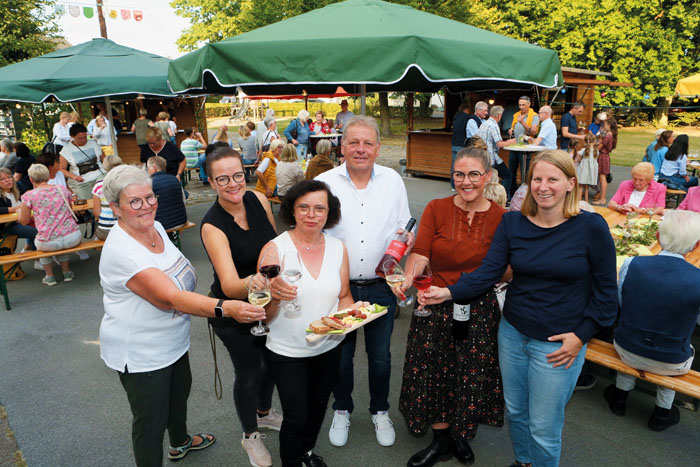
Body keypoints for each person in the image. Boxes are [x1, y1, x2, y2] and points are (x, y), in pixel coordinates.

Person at [421, 150, 618, 467]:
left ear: (570, 183)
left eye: (552, 179)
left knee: (544, 427)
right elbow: (488, 273)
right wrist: (446, 292)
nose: (543, 186)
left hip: (557, 345)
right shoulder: (513, 223)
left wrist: (580, 336)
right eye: (537, 178)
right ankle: (524, 462)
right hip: (512, 334)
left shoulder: (590, 227)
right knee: (516, 412)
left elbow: (607, 295)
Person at [98, 164, 264, 467]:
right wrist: (226, 307)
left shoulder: (155, 227)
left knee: (178, 395)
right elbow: (170, 298)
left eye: (149, 197)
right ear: (115, 208)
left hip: (172, 340)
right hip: (141, 353)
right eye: (134, 201)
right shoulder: (122, 252)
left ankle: (180, 442)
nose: (146, 206)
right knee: (150, 421)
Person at [397, 147, 506, 467]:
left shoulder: (502, 218)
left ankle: (460, 434)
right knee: (433, 373)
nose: (466, 181)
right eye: (459, 174)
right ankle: (441, 439)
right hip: (433, 302)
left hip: (479, 308)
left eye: (474, 174)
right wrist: (407, 280)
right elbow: (420, 254)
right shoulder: (436, 208)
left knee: (469, 374)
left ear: (487, 176)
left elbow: (500, 269)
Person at [316, 115, 413, 448]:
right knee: (340, 356)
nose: (360, 149)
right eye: (353, 142)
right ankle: (341, 408)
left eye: (367, 143)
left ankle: (379, 410)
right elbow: (312, 231)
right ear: (342, 146)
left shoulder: (392, 180)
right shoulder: (325, 182)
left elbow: (405, 227)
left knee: (381, 357)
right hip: (338, 288)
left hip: (379, 286)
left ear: (378, 147)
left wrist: (406, 241)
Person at [266, 179, 356, 467]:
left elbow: (344, 295)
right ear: (292, 210)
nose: (311, 214)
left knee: (318, 408)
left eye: (319, 208)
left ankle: (306, 452)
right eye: (303, 207)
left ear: (329, 213)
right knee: (296, 415)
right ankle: (291, 461)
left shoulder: (338, 248)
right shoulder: (274, 249)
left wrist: (352, 315)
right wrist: (275, 298)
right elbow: (263, 314)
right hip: (287, 351)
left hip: (329, 346)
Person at [200, 146, 280, 467]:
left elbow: (274, 244)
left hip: (267, 304)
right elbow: (231, 285)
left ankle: (264, 412)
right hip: (232, 312)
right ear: (210, 182)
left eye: (237, 175)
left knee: (272, 362)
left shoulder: (259, 199)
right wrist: (258, 279)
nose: (233, 184)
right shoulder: (211, 225)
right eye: (223, 179)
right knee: (248, 373)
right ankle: (250, 436)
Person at [604, 210, 700, 431]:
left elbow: (622, 302)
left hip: (626, 349)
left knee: (632, 331)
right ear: (696, 245)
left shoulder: (631, 263)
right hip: (672, 361)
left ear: (657, 237)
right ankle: (661, 412)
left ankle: (620, 397)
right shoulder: (697, 279)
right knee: (682, 348)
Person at [19, 164, 81, 286]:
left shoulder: (29, 195)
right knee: (59, 234)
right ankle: (67, 272)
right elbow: (70, 209)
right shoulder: (62, 189)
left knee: (42, 241)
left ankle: (50, 276)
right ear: (48, 177)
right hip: (73, 237)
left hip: (49, 242)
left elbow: (24, 221)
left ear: (31, 179)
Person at [477, 105, 516, 198]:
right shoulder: (494, 125)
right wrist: (511, 141)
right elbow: (499, 144)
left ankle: (488, 197)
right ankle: (503, 198)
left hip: (482, 157)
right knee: (507, 176)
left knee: (489, 179)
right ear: (499, 115)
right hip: (491, 157)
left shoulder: (484, 124)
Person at [59, 123, 105, 200]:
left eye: (85, 137)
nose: (84, 140)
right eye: (80, 138)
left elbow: (104, 159)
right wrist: (74, 177)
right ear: (72, 137)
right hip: (83, 181)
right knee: (87, 205)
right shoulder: (66, 150)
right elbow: (61, 169)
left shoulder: (93, 143)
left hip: (100, 176)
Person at [507, 96, 539, 197]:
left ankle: (524, 196)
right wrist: (511, 130)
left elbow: (533, 132)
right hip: (514, 147)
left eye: (523, 105)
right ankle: (511, 195)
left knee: (524, 173)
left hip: (526, 149)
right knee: (511, 171)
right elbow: (513, 127)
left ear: (529, 104)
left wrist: (523, 122)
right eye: (519, 105)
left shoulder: (534, 116)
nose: (521, 107)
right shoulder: (516, 115)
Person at [0, 167, 37, 252]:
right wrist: (13, 209)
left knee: (43, 227)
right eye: (3, 179)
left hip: (25, 219)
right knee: (36, 232)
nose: (7, 180)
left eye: (9, 177)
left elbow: (30, 196)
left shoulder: (17, 186)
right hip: (10, 225)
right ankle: (40, 258)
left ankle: (30, 248)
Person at [146, 156, 187, 231]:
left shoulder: (149, 183)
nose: (147, 171)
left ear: (153, 168)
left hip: (162, 224)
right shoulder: (175, 179)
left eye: (148, 168)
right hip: (181, 220)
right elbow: (184, 200)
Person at [92, 155, 123, 240]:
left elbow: (96, 213)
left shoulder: (98, 185)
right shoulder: (125, 184)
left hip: (105, 230)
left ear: (105, 168)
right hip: (124, 229)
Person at [593, 116, 618, 204]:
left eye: (605, 124)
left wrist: (596, 144)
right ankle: (601, 196)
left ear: (609, 125)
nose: (604, 126)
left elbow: (598, 147)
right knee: (601, 177)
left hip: (603, 156)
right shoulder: (610, 135)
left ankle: (603, 199)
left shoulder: (607, 136)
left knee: (602, 177)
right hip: (605, 156)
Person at [577, 133, 599, 203]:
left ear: (586, 141)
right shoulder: (596, 151)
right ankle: (586, 201)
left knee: (580, 185)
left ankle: (579, 200)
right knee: (586, 186)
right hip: (590, 171)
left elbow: (579, 159)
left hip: (584, 169)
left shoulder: (584, 150)